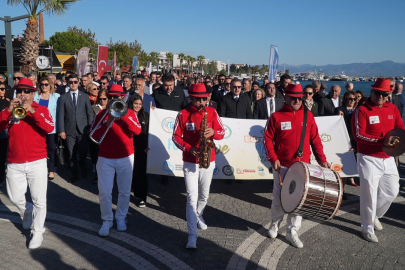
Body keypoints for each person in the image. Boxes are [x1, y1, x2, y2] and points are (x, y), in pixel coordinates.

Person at [264, 83, 330, 248]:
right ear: (285, 97)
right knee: (279, 199)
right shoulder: (276, 117)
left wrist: (322, 160)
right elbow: (267, 140)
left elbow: (316, 141)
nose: (296, 100)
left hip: (302, 167)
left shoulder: (309, 117)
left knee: (299, 201)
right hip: (283, 166)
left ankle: (292, 231)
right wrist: (273, 158)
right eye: (292, 97)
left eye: (298, 98)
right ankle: (275, 223)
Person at [0, 78, 54, 249]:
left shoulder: (42, 109)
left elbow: (49, 127)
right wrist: (8, 111)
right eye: (19, 91)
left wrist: (32, 111)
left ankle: (37, 232)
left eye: (26, 92)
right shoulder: (10, 110)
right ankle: (26, 210)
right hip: (15, 161)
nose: (22, 95)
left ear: (33, 93)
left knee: (40, 200)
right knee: (15, 196)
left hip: (37, 161)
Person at [351, 78, 404, 243]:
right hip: (368, 157)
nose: (380, 96)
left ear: (389, 94)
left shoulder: (393, 108)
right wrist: (383, 141)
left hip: (388, 157)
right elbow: (359, 135)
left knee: (392, 190)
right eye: (377, 93)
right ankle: (366, 227)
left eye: (384, 94)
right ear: (371, 91)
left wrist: (397, 138)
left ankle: (374, 215)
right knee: (369, 194)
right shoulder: (362, 110)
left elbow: (401, 127)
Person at [172, 83, 225, 249]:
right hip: (190, 160)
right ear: (191, 98)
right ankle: (192, 236)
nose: (202, 101)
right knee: (191, 198)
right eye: (198, 99)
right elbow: (175, 137)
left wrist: (213, 133)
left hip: (208, 159)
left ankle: (198, 215)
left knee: (204, 195)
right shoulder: (183, 114)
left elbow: (223, 132)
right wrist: (189, 148)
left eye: (204, 98)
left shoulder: (212, 112)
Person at [90, 85, 141, 236]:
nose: (113, 100)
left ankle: (121, 218)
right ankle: (107, 220)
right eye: (110, 97)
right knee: (105, 192)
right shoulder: (101, 114)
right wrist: (107, 122)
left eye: (117, 97)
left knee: (124, 191)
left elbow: (137, 130)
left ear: (123, 98)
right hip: (106, 157)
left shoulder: (130, 113)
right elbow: (92, 134)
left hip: (126, 157)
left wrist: (123, 116)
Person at [58, 74, 93, 183]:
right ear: (68, 83)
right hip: (69, 130)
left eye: (75, 82)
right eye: (71, 82)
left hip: (83, 129)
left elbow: (89, 113)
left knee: (82, 152)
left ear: (78, 82)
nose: (73, 84)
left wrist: (90, 127)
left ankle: (83, 167)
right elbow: (61, 115)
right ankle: (74, 173)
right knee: (71, 153)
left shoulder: (85, 96)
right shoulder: (63, 97)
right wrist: (61, 130)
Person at [34, 77, 60, 180]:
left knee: (52, 149)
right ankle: (40, 169)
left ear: (50, 85)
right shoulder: (36, 96)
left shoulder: (56, 97)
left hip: (51, 128)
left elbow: (59, 114)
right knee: (39, 149)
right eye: (42, 84)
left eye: (46, 84)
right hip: (38, 128)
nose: (44, 86)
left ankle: (52, 169)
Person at [334, 91, 358, 195]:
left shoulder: (357, 111)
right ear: (345, 100)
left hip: (353, 142)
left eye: (354, 99)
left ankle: (343, 190)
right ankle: (340, 191)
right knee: (341, 170)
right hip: (342, 142)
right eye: (350, 99)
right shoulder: (339, 110)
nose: (352, 101)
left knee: (349, 168)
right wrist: (338, 116)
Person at [128, 94, 149, 208]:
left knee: (142, 173)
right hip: (129, 148)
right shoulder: (126, 115)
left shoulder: (145, 116)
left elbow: (149, 132)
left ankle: (142, 197)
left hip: (142, 148)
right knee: (133, 172)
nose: (137, 106)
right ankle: (135, 193)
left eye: (140, 104)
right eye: (135, 104)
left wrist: (147, 146)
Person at [0, 82, 10, 188]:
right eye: (1, 89)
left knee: (2, 157)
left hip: (3, 132)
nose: (4, 91)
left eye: (4, 89)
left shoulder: (7, 102)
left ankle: (1, 178)